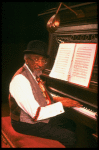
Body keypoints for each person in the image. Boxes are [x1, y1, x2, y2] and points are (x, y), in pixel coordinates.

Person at [9, 40, 82, 148]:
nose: (40, 64)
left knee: (69, 124)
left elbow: (37, 95)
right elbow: (36, 114)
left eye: (43, 60)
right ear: (26, 59)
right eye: (36, 59)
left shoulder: (33, 72)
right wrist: (62, 105)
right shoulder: (20, 79)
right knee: (70, 137)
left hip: (33, 117)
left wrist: (56, 99)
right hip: (24, 123)